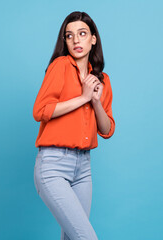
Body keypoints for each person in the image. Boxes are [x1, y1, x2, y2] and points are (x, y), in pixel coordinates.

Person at [33, 11, 115, 240]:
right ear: (65, 41)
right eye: (69, 36)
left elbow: (107, 129)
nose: (76, 40)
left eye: (82, 33)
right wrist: (83, 97)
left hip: (83, 168)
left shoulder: (102, 80)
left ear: (93, 39)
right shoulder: (60, 66)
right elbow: (40, 111)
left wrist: (96, 100)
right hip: (53, 165)